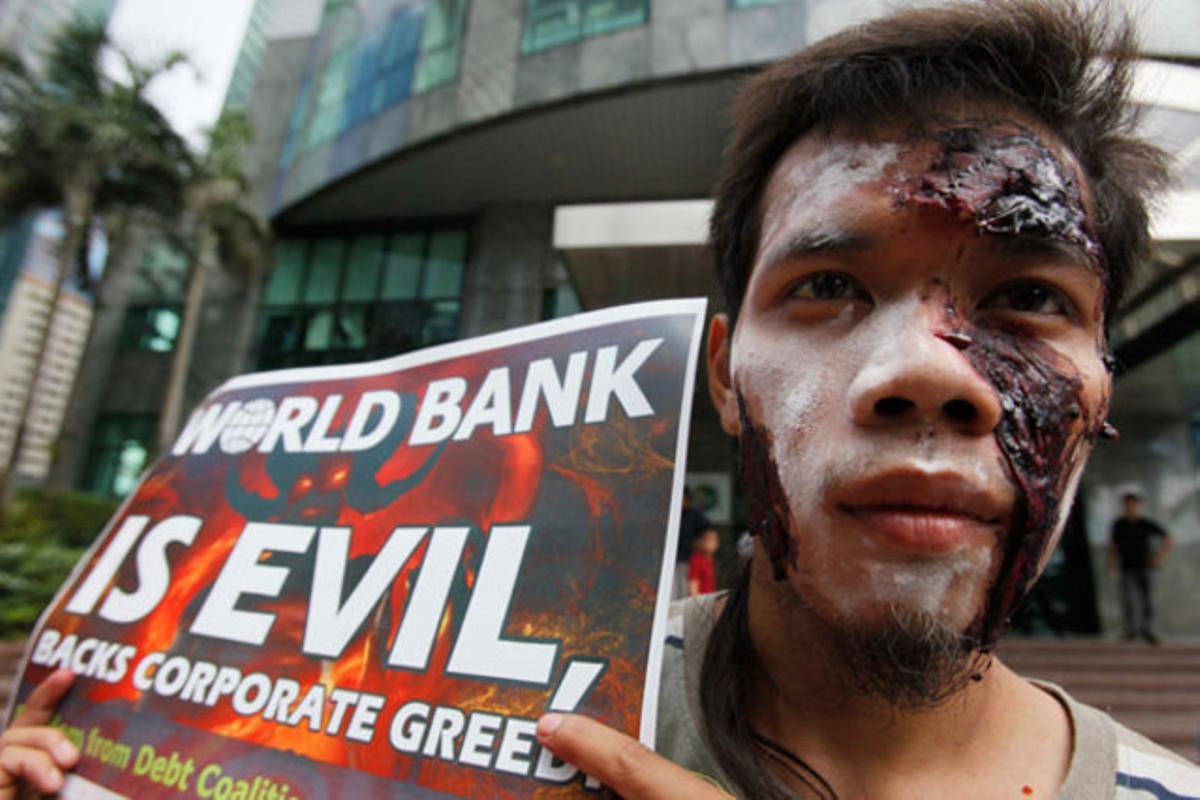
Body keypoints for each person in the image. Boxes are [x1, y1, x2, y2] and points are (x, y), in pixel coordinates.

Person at [5, 2, 1200, 798]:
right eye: (830, 285)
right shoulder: (435, 725)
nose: (930, 370)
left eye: (1029, 299)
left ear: (1101, 386)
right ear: (726, 373)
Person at [1108, 491, 1173, 644]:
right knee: (1128, 600)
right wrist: (1111, 565)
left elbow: (1168, 538)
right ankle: (1130, 631)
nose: (1130, 508)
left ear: (1137, 506)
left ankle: (1147, 629)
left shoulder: (1145, 523)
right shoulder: (1119, 524)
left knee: (1147, 600)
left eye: (1132, 505)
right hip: (1126, 566)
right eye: (1127, 505)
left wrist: (1158, 557)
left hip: (1145, 566)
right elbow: (1113, 546)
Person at [674, 486, 719, 599]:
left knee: (684, 589)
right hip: (675, 559)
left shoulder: (693, 515)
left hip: (687, 558)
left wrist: (700, 544)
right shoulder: (672, 515)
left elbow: (709, 531)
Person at [688, 529, 721, 597]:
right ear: (701, 542)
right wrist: (696, 601)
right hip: (701, 601)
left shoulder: (715, 561)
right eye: (708, 540)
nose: (711, 544)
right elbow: (693, 583)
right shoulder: (697, 560)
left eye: (713, 540)